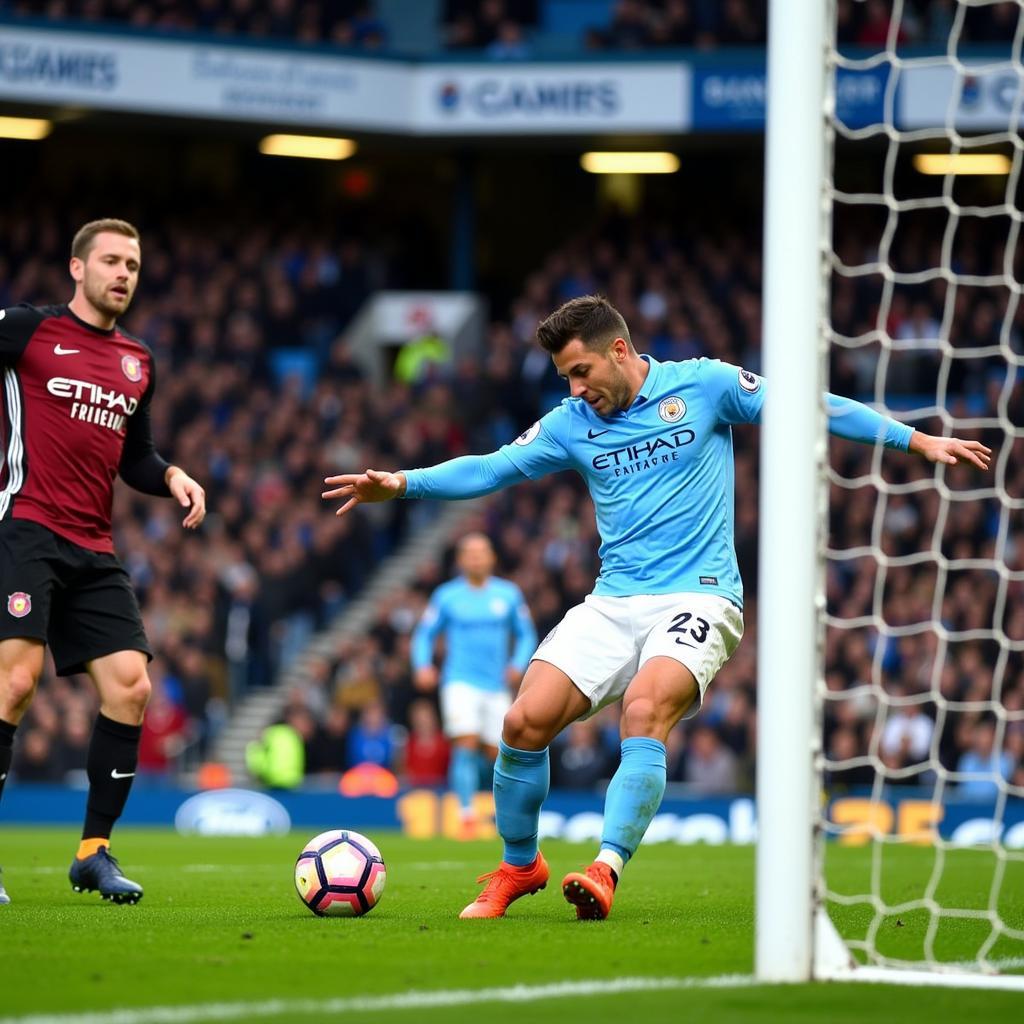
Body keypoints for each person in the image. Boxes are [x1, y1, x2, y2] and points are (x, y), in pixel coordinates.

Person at [322, 294, 990, 921]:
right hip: (614, 601)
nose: (576, 389)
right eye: (565, 378)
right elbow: (492, 467)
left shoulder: (704, 385)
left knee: (645, 708)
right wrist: (403, 484)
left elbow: (810, 405)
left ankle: (607, 868)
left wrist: (914, 440)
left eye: (582, 371)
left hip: (700, 595)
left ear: (619, 349)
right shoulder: (569, 423)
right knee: (524, 721)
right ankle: (520, 868)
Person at [0, 218, 206, 906]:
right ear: (77, 268)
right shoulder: (28, 329)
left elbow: (134, 457)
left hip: (93, 545)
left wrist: (172, 474)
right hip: (26, 527)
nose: (124, 273)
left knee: (131, 687)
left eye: (134, 265)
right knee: (15, 683)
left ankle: (94, 852)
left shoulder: (138, 360)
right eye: (112, 261)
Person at [411, 533, 536, 836]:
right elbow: (424, 634)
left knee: (498, 753)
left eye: (482, 552)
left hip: (495, 685)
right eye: (470, 552)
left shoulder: (508, 595)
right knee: (465, 745)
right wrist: (423, 665)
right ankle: (466, 815)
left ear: (492, 557)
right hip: (460, 681)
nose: (476, 558)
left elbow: (527, 634)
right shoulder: (447, 596)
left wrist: (518, 665)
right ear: (460, 560)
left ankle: (496, 813)